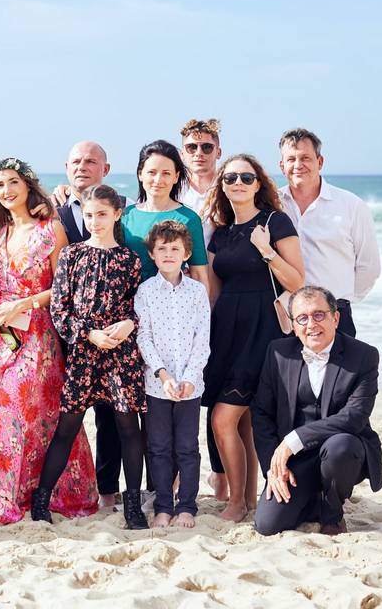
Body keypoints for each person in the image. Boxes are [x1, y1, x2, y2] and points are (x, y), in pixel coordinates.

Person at [0, 157, 97, 524]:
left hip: (38, 333)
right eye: (0, 185)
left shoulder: (51, 230)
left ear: (28, 185)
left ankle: (8, 500)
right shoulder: (0, 232)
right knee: (11, 410)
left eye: (13, 182)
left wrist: (25, 302)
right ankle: (21, 494)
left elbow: (65, 286)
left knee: (19, 411)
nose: (7, 190)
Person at [35, 185, 148, 530]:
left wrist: (130, 324)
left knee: (129, 427)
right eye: (88, 215)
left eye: (102, 214)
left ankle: (132, 505)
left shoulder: (131, 260)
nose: (95, 221)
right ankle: (41, 500)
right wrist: (88, 333)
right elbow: (59, 308)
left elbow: (138, 307)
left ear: (117, 214)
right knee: (67, 426)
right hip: (84, 352)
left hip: (120, 353)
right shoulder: (72, 255)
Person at [203, 154, 305, 522]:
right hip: (226, 329)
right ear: (223, 185)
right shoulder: (220, 231)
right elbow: (212, 292)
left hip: (262, 328)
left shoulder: (275, 222)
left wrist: (265, 250)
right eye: (231, 177)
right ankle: (243, 500)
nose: (239, 183)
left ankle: (235, 503)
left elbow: (297, 282)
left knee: (222, 419)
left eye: (247, 177)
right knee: (241, 421)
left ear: (259, 184)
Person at [252, 286, 382, 536]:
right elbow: (261, 414)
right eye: (302, 318)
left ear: (335, 318)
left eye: (319, 315)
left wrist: (294, 440)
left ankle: (332, 512)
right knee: (268, 525)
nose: (311, 324)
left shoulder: (364, 356)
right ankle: (312, 497)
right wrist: (273, 468)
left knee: (340, 447)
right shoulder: (277, 353)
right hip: (297, 459)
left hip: (341, 452)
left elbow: (354, 417)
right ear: (293, 325)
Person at [53, 141, 122, 509]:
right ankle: (65, 487)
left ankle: (108, 488)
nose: (83, 166)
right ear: (66, 167)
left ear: (105, 169)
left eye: (91, 161)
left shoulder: (118, 210)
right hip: (68, 334)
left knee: (111, 417)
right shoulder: (51, 211)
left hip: (113, 337)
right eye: (76, 161)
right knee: (65, 415)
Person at [134, 221, 211, 528]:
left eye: (175, 248)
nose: (168, 253)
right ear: (151, 254)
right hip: (157, 385)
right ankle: (164, 505)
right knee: (159, 448)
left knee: (188, 448)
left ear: (186, 253)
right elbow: (144, 338)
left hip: (191, 385)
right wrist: (164, 376)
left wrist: (191, 377)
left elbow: (202, 338)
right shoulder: (145, 291)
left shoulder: (196, 291)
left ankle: (187, 506)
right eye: (162, 249)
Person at [277, 129, 380, 337]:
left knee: (340, 371)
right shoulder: (273, 204)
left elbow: (369, 266)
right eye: (291, 159)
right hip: (285, 318)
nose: (298, 165)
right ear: (282, 166)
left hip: (334, 316)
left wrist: (339, 301)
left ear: (320, 161)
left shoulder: (351, 206)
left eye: (305, 158)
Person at [178, 118, 228, 502]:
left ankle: (221, 476)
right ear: (183, 153)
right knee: (180, 390)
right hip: (177, 307)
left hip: (225, 304)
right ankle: (176, 476)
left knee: (219, 392)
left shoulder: (232, 188)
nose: (199, 154)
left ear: (218, 151)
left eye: (206, 147)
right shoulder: (168, 189)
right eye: (192, 147)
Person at [121, 140, 209, 291]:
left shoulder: (189, 218)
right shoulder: (126, 216)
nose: (158, 180)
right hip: (128, 304)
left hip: (172, 304)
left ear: (176, 177)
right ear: (140, 174)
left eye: (166, 173)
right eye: (152, 172)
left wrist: (201, 313)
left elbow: (199, 275)